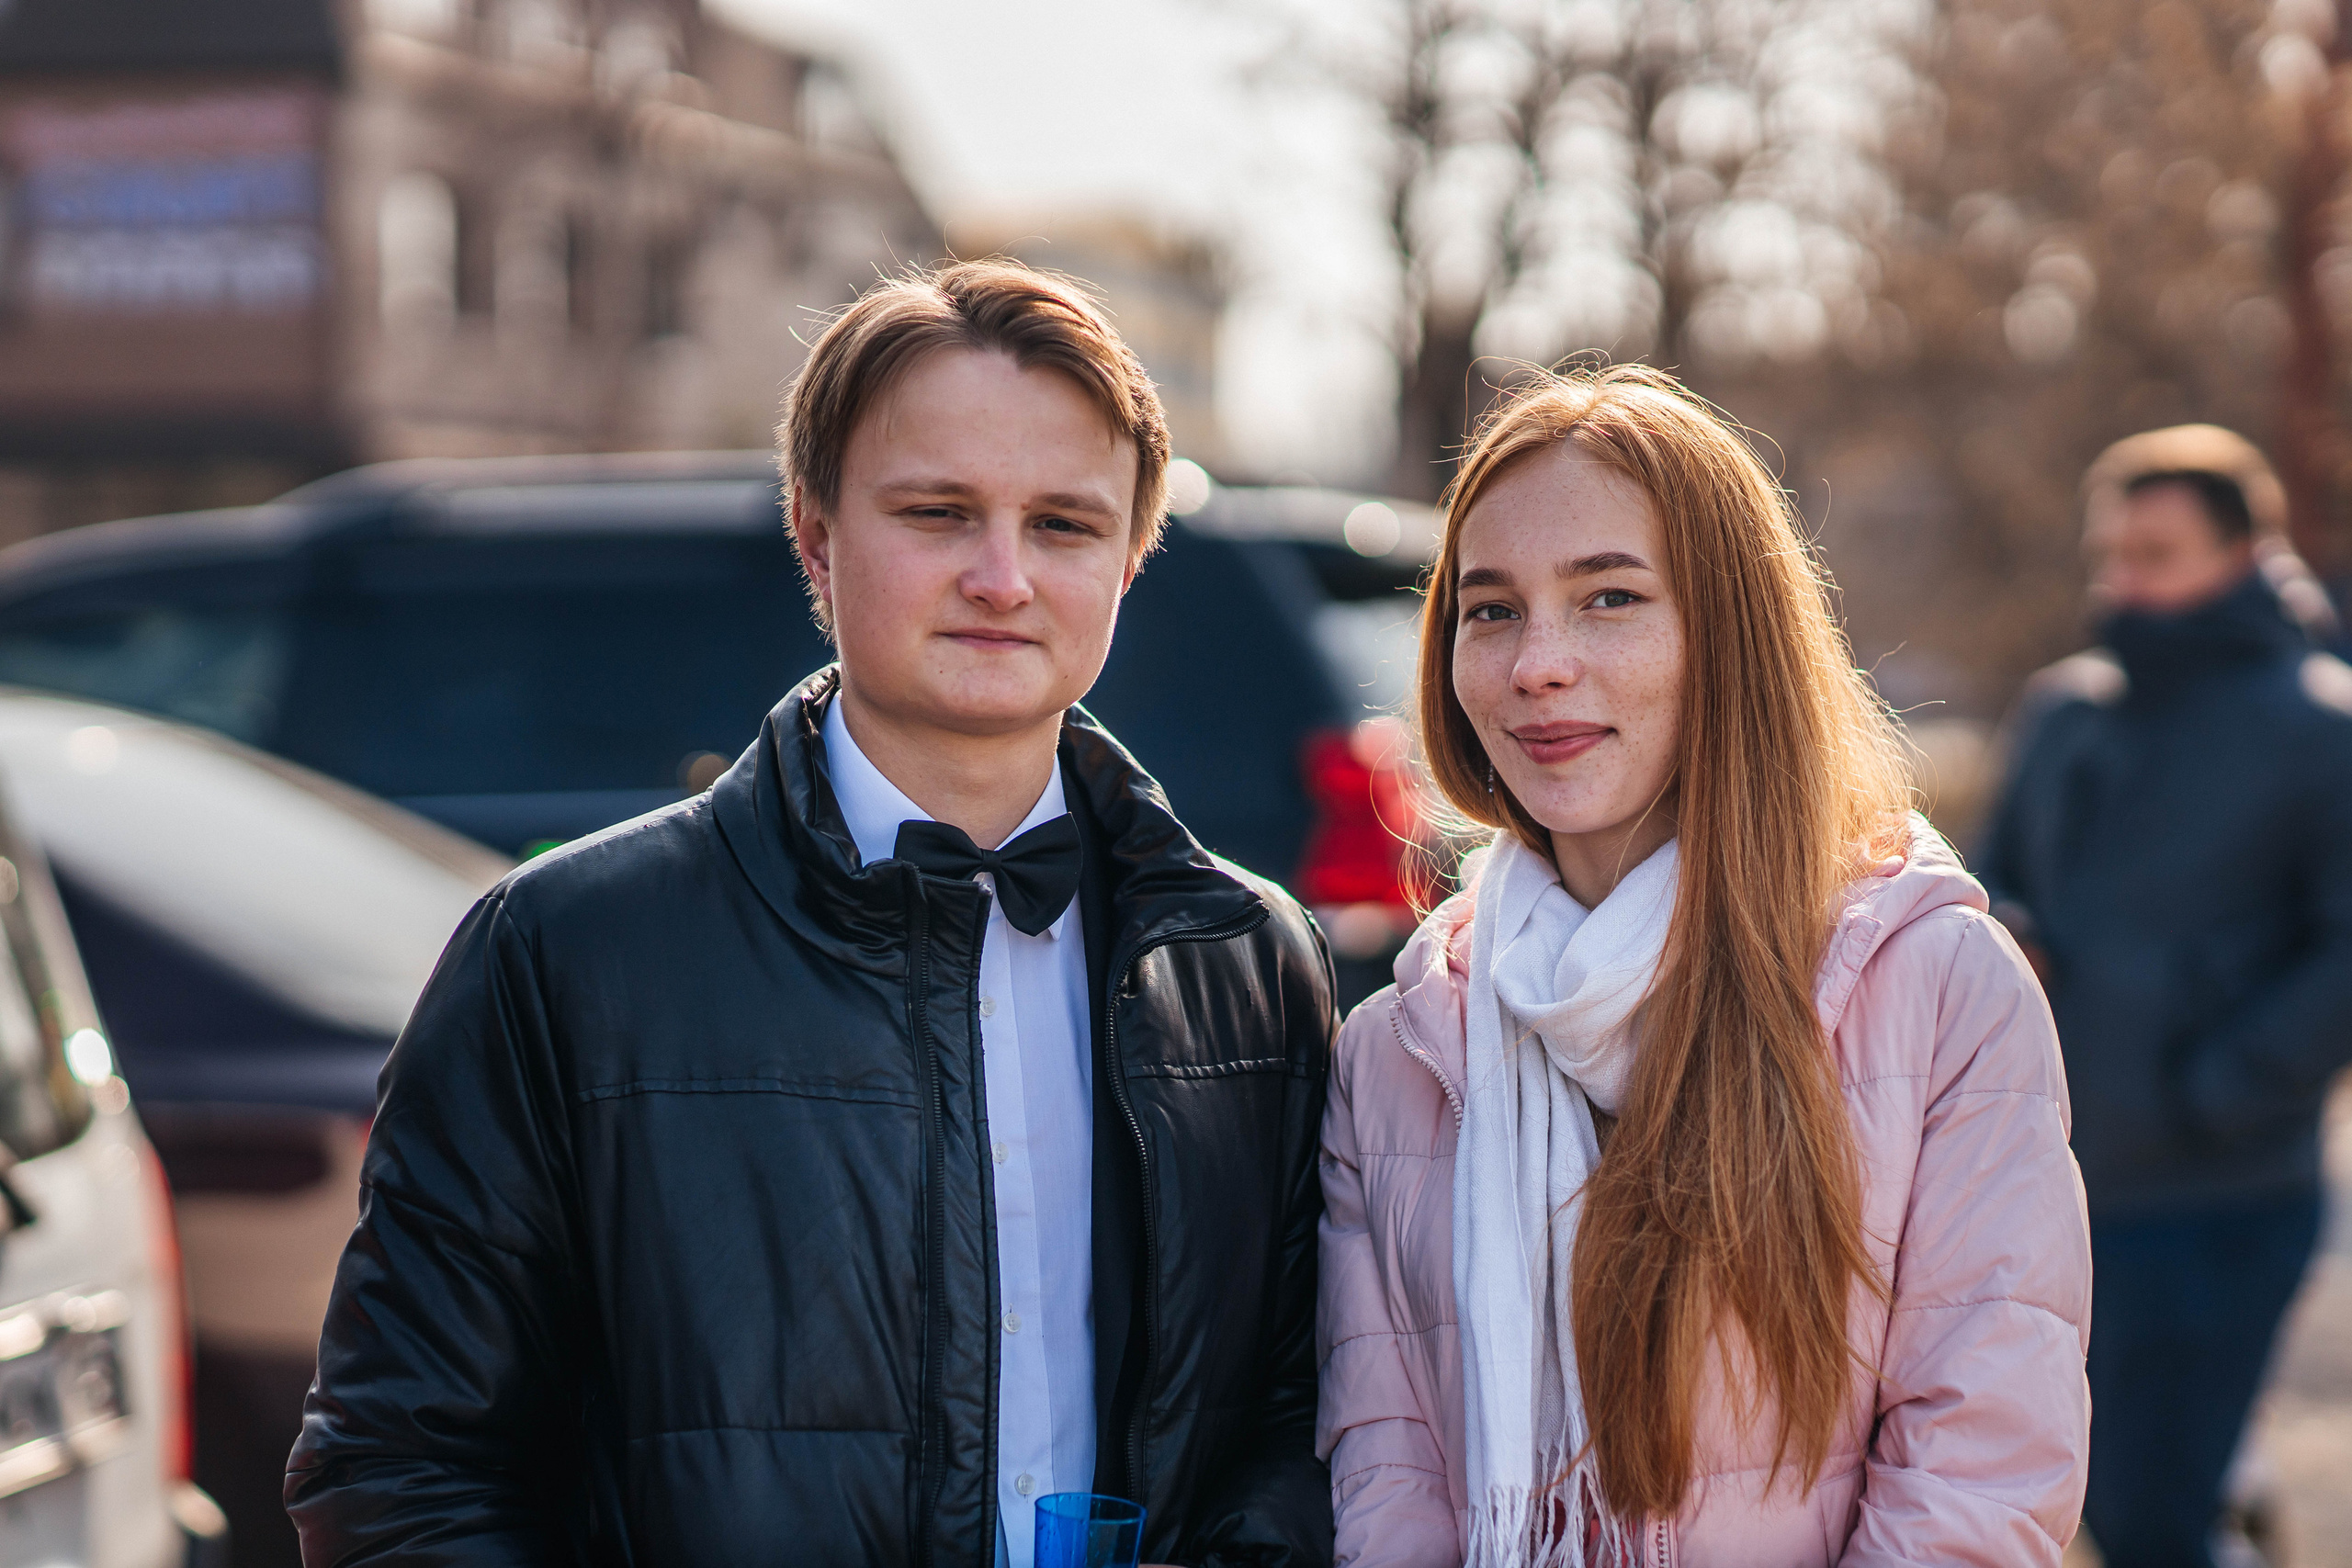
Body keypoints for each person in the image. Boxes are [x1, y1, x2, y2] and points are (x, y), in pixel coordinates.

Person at [286, 260, 1336, 1568]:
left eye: (1064, 524)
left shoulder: (1248, 963)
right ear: (816, 537)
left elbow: (1304, 1415)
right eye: (939, 512)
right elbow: (399, 1465)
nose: (1002, 576)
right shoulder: (561, 952)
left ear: (1132, 556)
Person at [1316, 364, 2093, 1567]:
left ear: (1729, 634)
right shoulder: (1400, 1045)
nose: (1536, 663)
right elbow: (1388, 1481)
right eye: (1492, 609)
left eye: (1609, 597)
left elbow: (1978, 1479)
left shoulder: (1939, 988)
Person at [1976, 425, 2352, 1568]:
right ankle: (2229, 1503)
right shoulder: (2064, 710)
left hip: (2222, 1194)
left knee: (2149, 1524)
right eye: (2109, 552)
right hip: (2052, 1183)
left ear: (2245, 553)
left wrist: (2216, 1088)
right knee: (2083, 1498)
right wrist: (2012, 942)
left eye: (2154, 552)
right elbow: (1991, 885)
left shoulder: (2321, 726)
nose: (2121, 580)